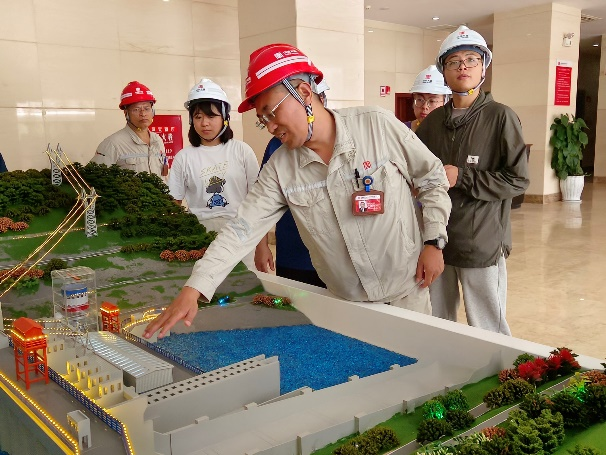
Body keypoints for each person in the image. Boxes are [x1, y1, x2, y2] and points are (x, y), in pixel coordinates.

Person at [144, 43, 451, 339]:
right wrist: (194, 287)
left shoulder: (376, 126)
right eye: (262, 119)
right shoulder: (281, 168)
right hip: (347, 305)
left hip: (407, 293)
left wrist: (434, 241)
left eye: (271, 112)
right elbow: (242, 228)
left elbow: (432, 178)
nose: (269, 126)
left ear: (304, 93)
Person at [415, 26, 530, 335]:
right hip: (438, 241)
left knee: (488, 325)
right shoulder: (432, 124)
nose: (462, 67)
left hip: (481, 243)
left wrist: (463, 177)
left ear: (483, 67)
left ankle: (496, 365)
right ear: (444, 71)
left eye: (471, 60)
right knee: (437, 322)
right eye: (453, 61)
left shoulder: (501, 117)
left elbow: (518, 180)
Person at [168, 78, 259, 268]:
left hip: (240, 231)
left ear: (225, 117)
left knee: (243, 282)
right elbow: (173, 204)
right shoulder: (184, 157)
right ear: (191, 120)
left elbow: (258, 201)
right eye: (198, 117)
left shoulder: (242, 151)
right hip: (200, 233)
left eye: (212, 116)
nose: (205, 123)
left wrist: (263, 245)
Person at [254, 80, 330, 288]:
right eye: (264, 118)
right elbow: (258, 208)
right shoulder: (277, 149)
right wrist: (261, 246)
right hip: (293, 256)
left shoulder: (343, 142)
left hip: (335, 262)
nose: (271, 127)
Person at [91, 81, 166, 176]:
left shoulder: (157, 140)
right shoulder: (113, 144)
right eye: (136, 109)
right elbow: (95, 177)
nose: (143, 114)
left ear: (153, 111)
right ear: (126, 113)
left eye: (147, 109)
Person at [404, 65, 451, 133]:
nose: (424, 107)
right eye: (420, 99)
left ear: (446, 102)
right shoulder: (402, 130)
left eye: (432, 101)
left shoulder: (453, 134)